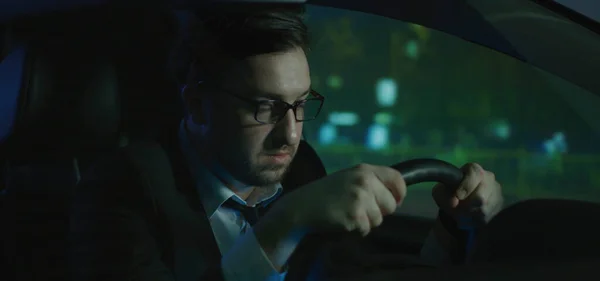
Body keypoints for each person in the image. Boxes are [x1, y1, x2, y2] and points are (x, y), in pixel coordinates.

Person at [69, 4, 504, 281]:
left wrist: (454, 227)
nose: (291, 133)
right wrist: (284, 224)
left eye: (300, 104)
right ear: (199, 107)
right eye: (265, 107)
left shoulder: (300, 167)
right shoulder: (122, 186)